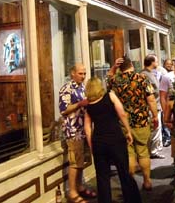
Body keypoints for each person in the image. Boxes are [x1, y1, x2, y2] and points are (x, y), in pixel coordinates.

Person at [84, 77, 142, 203]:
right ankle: (132, 199)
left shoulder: (89, 106)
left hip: (99, 142)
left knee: (102, 176)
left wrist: (91, 145)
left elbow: (87, 128)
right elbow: (122, 114)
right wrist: (128, 130)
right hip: (116, 139)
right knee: (123, 172)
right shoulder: (110, 96)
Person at [107, 55, 158, 191]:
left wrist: (114, 67)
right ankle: (147, 181)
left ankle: (131, 182)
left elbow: (108, 79)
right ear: (132, 66)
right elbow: (151, 99)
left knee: (128, 153)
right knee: (143, 151)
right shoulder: (142, 78)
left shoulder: (115, 80)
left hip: (123, 123)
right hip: (141, 121)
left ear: (120, 67)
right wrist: (155, 116)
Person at [59, 63, 96, 203]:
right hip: (73, 131)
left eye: (85, 73)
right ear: (72, 73)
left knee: (81, 161)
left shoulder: (82, 87)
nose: (83, 76)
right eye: (80, 73)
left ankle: (79, 187)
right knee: (75, 162)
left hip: (84, 130)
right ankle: (72, 192)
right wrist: (80, 104)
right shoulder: (66, 89)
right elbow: (63, 109)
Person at [141, 54, 164, 159]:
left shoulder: (150, 74)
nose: (158, 63)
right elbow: (150, 93)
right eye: (156, 61)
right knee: (154, 129)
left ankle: (153, 150)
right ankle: (152, 151)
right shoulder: (145, 75)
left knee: (156, 130)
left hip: (156, 105)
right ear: (152, 62)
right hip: (152, 107)